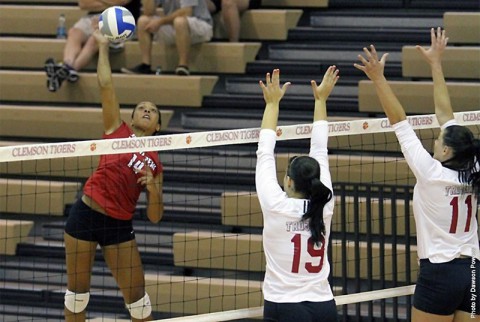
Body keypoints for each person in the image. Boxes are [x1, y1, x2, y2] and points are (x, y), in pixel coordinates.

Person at [354, 27, 480, 322]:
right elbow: (446, 114)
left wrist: (378, 78)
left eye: (438, 141)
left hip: (440, 273)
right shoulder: (474, 169)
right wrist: (435, 63)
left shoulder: (430, 171)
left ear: (447, 151)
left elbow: (398, 119)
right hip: (474, 272)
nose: (435, 141)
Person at [63, 29, 164, 321]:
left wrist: (155, 192)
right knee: (77, 295)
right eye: (142, 108)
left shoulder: (156, 162)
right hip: (86, 214)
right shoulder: (115, 130)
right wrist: (103, 48)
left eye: (153, 110)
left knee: (139, 301)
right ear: (132, 118)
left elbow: (156, 216)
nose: (147, 110)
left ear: (157, 125)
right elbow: (105, 84)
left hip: (118, 225)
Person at [255, 67, 339, 322]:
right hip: (324, 306)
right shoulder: (325, 203)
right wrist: (321, 100)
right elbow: (320, 149)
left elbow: (265, 151)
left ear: (288, 182)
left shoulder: (276, 204)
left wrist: (272, 104)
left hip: (285, 307)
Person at [44, 0, 141, 92]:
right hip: (92, 16)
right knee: (74, 33)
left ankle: (71, 68)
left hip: (121, 18)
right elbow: (83, 4)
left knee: (95, 38)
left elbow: (120, 1)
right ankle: (67, 64)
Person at [121, 0, 213, 76]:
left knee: (179, 21)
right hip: (174, 25)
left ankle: (183, 65)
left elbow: (186, 12)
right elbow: (148, 12)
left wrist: (160, 22)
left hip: (201, 25)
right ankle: (145, 65)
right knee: (143, 21)